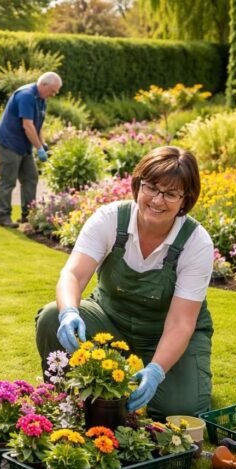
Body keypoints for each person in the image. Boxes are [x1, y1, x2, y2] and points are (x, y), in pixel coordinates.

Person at [34, 146, 214, 419]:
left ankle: (174, 378)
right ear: (138, 184)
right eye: (151, 187)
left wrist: (156, 370)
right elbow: (73, 275)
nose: (157, 200)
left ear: (185, 199)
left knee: (180, 411)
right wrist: (70, 311)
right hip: (110, 321)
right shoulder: (109, 219)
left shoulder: (195, 243)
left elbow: (181, 322)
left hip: (165, 334)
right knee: (51, 317)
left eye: (170, 193)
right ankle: (67, 400)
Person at [0, 72, 62, 228]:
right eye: (53, 90)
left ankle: (28, 215)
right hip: (9, 142)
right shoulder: (26, 96)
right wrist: (38, 148)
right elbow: (27, 125)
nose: (54, 94)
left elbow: (37, 125)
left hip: (24, 144)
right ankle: (3, 216)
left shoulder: (41, 99)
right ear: (43, 85)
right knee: (8, 181)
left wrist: (42, 144)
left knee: (31, 177)